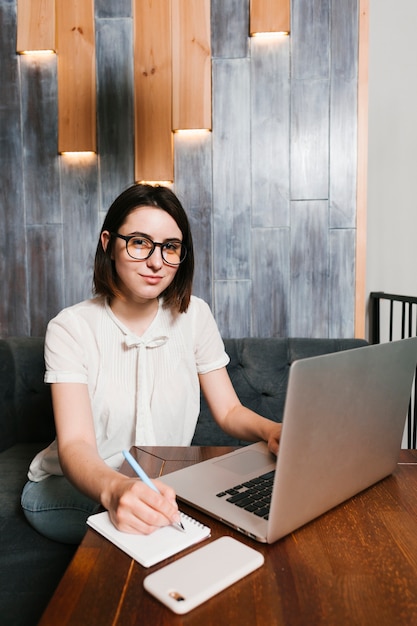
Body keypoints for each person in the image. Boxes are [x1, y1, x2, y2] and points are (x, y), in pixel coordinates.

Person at [21, 184, 281, 544]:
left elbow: (230, 410)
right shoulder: (71, 327)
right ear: (108, 243)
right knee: (152, 524)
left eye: (170, 247)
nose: (157, 262)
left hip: (159, 479)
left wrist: (274, 431)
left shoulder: (195, 315)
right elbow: (76, 444)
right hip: (76, 486)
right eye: (140, 242)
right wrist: (116, 491)